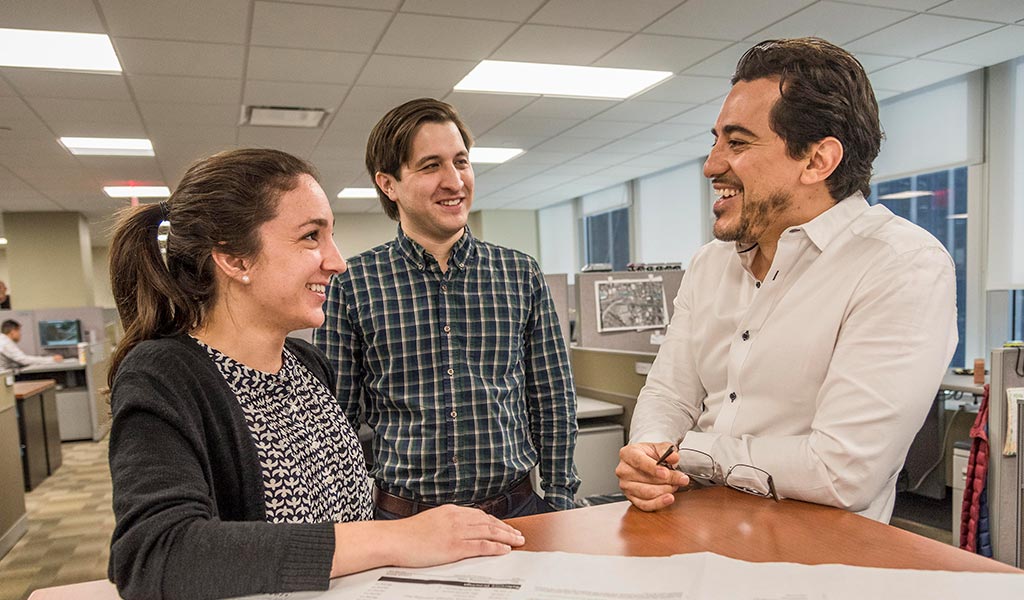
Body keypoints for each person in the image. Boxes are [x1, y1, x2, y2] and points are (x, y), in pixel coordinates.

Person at [106, 148, 525, 600]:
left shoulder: (306, 365)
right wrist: (400, 537)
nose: (337, 261)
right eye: (311, 237)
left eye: (331, 236)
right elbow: (155, 555)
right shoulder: (165, 375)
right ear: (234, 259)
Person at [615, 37, 957, 523]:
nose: (711, 165)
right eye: (715, 141)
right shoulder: (709, 264)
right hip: (691, 537)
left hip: (817, 563)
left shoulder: (902, 265)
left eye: (736, 143)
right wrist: (648, 452)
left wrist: (682, 453)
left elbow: (843, 472)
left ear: (817, 160)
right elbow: (670, 393)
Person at [314, 98, 579, 520]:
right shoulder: (351, 282)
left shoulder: (519, 274)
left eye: (461, 161)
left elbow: (551, 398)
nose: (455, 181)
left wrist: (561, 498)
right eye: (431, 165)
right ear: (388, 183)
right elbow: (335, 420)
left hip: (517, 511)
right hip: (404, 519)